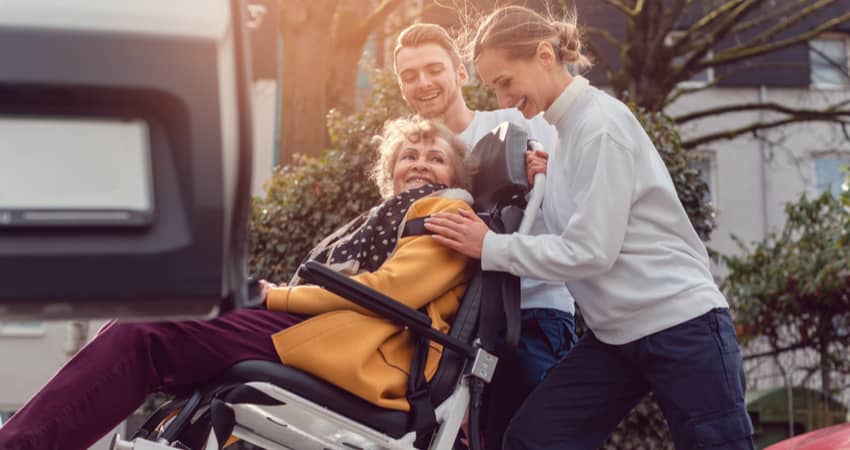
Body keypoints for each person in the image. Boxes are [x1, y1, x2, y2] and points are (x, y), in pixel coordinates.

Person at [0, 116, 477, 450]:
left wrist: (279, 296)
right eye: (408, 155)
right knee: (145, 322)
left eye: (435, 158)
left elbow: (390, 291)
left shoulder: (447, 210)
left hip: (358, 350)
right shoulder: (382, 218)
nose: (419, 164)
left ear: (454, 175)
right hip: (328, 330)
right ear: (389, 171)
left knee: (146, 334)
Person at [424, 6, 756, 450]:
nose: (502, 100)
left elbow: (590, 251)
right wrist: (553, 170)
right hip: (617, 337)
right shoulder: (566, 135)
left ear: (545, 55)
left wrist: (490, 246)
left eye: (505, 82)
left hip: (682, 325)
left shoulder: (599, 126)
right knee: (534, 438)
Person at [393, 22, 578, 448]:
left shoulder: (517, 121)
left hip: (529, 315)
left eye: (433, 69)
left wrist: (548, 174)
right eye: (409, 75)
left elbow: (574, 202)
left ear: (460, 74)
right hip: (448, 337)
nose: (423, 83)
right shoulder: (414, 159)